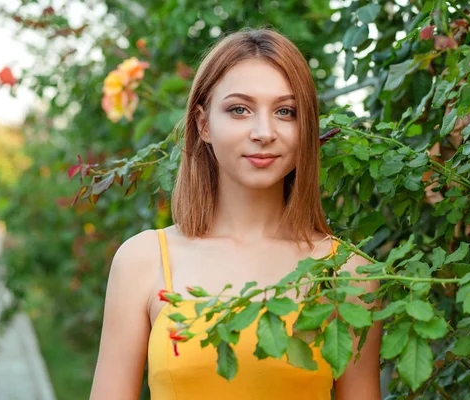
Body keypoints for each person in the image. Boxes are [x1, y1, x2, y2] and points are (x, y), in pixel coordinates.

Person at [89, 27, 382, 400]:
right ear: (203, 124)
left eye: (285, 111)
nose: (264, 132)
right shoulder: (143, 261)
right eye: (239, 109)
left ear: (305, 126)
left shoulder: (348, 271)